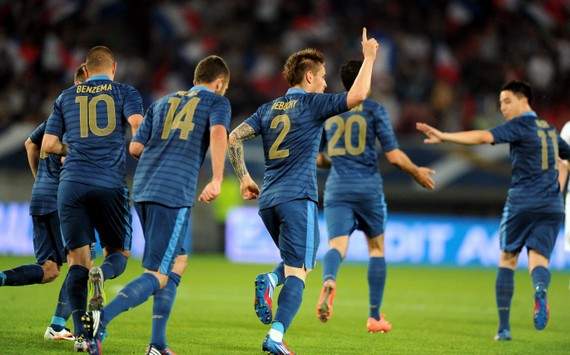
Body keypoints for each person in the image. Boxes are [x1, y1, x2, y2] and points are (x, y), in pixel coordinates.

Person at [228, 28, 379, 354]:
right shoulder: (312, 104)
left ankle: (271, 281)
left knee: (303, 261)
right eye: (323, 77)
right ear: (309, 77)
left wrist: (243, 178)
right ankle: (276, 337)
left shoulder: (267, 109)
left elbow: (234, 136)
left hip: (268, 200)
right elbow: (358, 96)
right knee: (300, 272)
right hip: (298, 197)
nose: (326, 83)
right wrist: (369, 58)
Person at [82, 55, 231, 355]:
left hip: (144, 187)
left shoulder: (162, 103)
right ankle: (102, 320)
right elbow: (218, 133)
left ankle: (158, 345)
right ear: (219, 84)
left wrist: (164, 150)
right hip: (173, 192)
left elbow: (135, 146)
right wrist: (216, 178)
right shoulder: (217, 102)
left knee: (178, 261)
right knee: (159, 273)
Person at [416, 80, 570, 341]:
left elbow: (483, 136)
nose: (503, 108)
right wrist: (558, 186)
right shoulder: (549, 129)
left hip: (523, 201)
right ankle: (540, 290)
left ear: (524, 100)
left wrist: (445, 136)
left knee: (508, 260)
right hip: (552, 205)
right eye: (500, 104)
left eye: (507, 101)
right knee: (539, 259)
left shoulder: (520, 125)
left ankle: (504, 328)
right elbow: (565, 159)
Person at [315, 60, 435, 333]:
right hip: (368, 188)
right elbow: (393, 156)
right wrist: (416, 172)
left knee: (337, 247)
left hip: (337, 188)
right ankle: (374, 316)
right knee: (377, 249)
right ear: (365, 79)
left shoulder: (330, 113)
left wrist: (335, 158)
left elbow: (321, 158)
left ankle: (330, 279)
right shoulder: (374, 110)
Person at [42, 46, 144, 351]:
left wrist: (70, 151)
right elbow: (138, 126)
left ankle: (81, 335)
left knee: (77, 261)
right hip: (110, 183)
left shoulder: (65, 97)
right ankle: (104, 272)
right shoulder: (125, 92)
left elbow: (48, 144)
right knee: (119, 255)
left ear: (84, 70)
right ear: (113, 68)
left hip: (71, 184)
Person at [0, 65, 88, 342]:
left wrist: (40, 179)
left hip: (41, 197)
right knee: (82, 260)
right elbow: (62, 154)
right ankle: (61, 326)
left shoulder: (56, 115)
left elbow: (30, 144)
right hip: (62, 200)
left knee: (49, 269)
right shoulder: (81, 119)